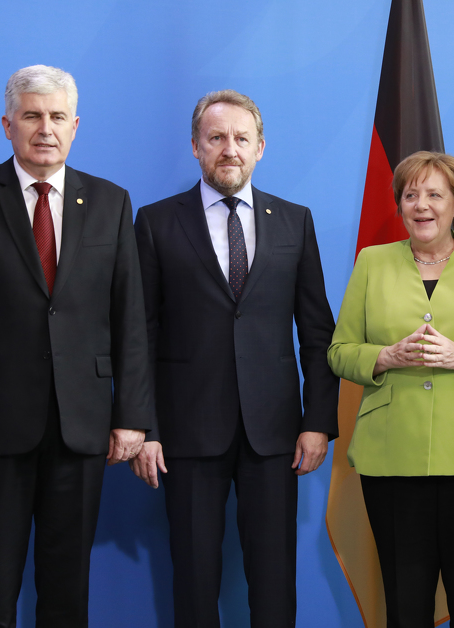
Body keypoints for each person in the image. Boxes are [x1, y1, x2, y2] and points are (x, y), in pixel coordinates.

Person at [0, 65, 151, 626]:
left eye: (57, 117)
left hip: (83, 425)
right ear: (7, 125)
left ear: (75, 126)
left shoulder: (112, 202)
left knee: (68, 586)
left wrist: (131, 416)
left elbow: (130, 319)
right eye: (32, 116)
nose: (46, 128)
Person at [130, 89, 339, 627]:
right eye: (217, 137)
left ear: (260, 148)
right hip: (186, 433)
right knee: (194, 581)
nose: (230, 149)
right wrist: (145, 428)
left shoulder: (294, 221)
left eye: (242, 138)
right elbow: (139, 335)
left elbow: (317, 333)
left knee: (274, 583)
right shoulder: (155, 222)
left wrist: (317, 422)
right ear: (195, 146)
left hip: (275, 434)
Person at [328, 151, 454, 627]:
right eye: (410, 195)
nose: (421, 205)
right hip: (392, 455)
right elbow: (340, 351)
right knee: (405, 602)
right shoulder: (372, 262)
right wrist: (384, 356)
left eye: (435, 194)